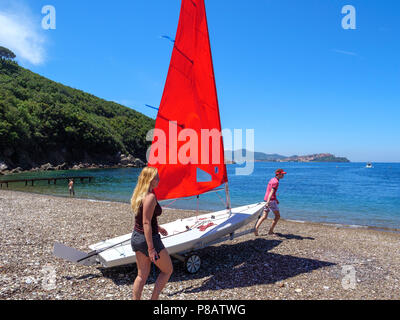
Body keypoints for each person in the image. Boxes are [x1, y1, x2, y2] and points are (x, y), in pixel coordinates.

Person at [130, 167, 173, 300]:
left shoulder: (139, 194)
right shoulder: (150, 197)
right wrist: (151, 249)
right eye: (156, 177)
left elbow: (143, 219)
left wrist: (158, 227)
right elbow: (146, 222)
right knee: (167, 270)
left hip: (137, 237)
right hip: (148, 240)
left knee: (141, 275)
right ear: (149, 179)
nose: (159, 180)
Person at [254, 168, 287, 236]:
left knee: (264, 216)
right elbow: (271, 192)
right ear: (279, 174)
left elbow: (270, 191)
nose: (283, 175)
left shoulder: (272, 179)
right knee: (277, 216)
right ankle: (270, 231)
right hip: (270, 201)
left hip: (266, 199)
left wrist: (274, 200)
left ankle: (256, 228)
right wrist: (268, 202)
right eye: (282, 174)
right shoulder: (276, 182)